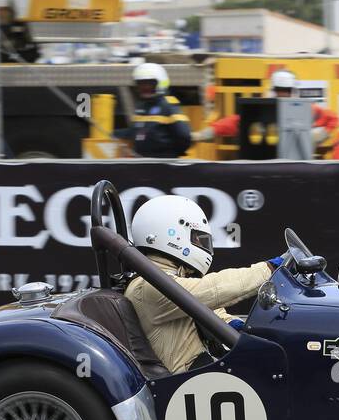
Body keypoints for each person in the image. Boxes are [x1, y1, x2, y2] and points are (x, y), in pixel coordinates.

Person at [124, 195, 285, 374]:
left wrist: (233, 323)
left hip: (200, 373)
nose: (202, 245)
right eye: (197, 238)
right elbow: (212, 289)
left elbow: (204, 307)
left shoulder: (161, 280)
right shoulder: (148, 286)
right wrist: (269, 269)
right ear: (171, 234)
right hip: (185, 382)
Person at [194, 69, 339, 145]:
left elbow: (333, 119)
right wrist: (206, 133)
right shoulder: (262, 109)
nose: (282, 95)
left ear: (293, 91)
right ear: (273, 90)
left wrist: (317, 135)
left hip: (296, 159)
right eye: (279, 90)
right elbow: (234, 123)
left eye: (286, 91)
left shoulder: (308, 109)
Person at [114, 63, 192, 159]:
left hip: (164, 164)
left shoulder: (168, 106)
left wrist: (171, 155)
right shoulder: (141, 107)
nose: (145, 88)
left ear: (161, 83)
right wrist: (113, 134)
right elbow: (135, 131)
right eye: (141, 84)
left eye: (150, 84)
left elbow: (184, 136)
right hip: (142, 162)